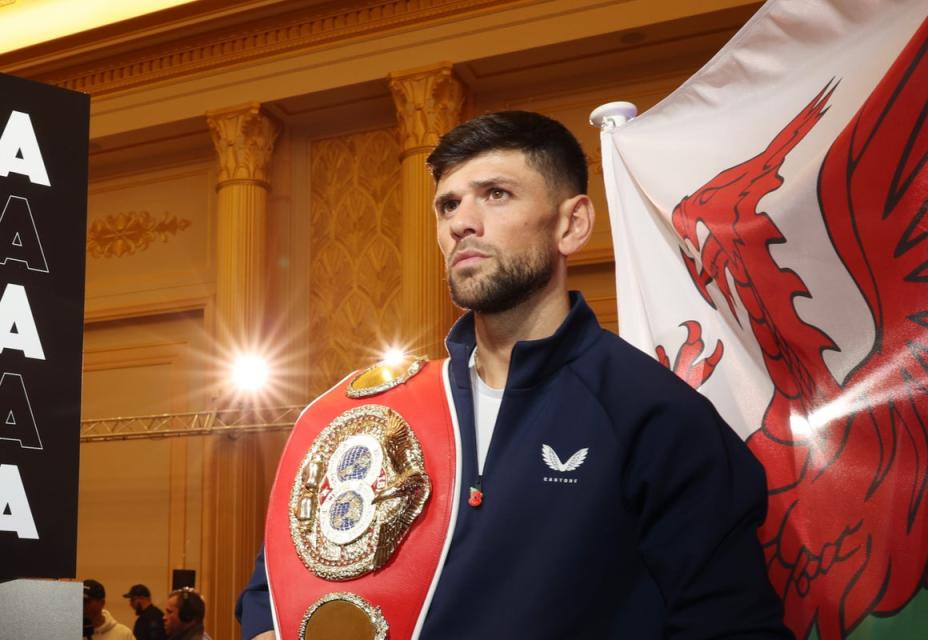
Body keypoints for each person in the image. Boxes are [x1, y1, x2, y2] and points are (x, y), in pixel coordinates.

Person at [237, 111, 791, 638]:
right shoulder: (386, 411)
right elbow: (284, 570)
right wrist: (265, 627)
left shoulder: (655, 414)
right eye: (448, 205)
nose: (461, 222)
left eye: (495, 195)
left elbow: (728, 625)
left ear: (572, 225)